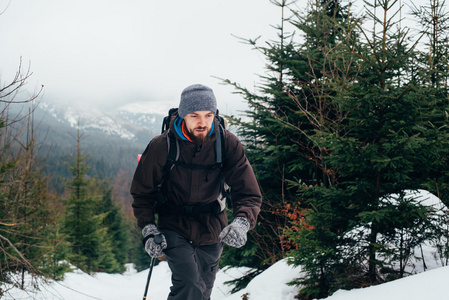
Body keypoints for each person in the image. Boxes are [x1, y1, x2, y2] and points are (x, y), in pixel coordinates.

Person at [130, 84, 262, 300]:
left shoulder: (227, 144)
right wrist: (149, 229)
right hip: (173, 225)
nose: (203, 122)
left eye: (208, 115)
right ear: (183, 115)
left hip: (212, 228)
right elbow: (143, 193)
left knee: (202, 292)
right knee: (189, 285)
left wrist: (242, 222)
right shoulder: (162, 146)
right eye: (195, 116)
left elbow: (248, 192)